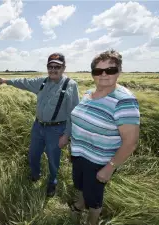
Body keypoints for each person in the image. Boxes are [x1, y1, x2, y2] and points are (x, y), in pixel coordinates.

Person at [69, 49, 140, 225]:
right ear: (92, 74)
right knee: (81, 186)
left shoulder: (124, 101)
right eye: (98, 71)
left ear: (119, 72)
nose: (103, 75)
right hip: (79, 154)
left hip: (98, 160)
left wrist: (110, 167)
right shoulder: (88, 93)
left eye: (110, 70)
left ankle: (92, 220)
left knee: (94, 196)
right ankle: (79, 205)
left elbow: (131, 142)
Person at [0, 53, 79, 197]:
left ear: (64, 67)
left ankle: (52, 181)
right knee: (33, 154)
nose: (53, 69)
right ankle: (35, 175)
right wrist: (7, 81)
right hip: (38, 126)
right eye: (50, 66)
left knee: (53, 158)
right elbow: (24, 82)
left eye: (57, 67)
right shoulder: (42, 82)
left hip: (56, 129)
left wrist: (67, 135)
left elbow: (73, 113)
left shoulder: (70, 85)